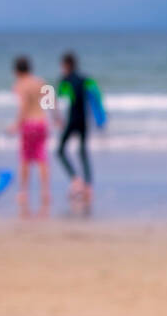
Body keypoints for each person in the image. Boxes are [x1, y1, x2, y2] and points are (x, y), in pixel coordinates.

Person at [56, 52, 102, 214]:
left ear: (67, 65)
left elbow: (62, 95)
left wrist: (57, 118)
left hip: (72, 120)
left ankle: (75, 179)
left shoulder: (65, 80)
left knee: (60, 151)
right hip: (84, 121)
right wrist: (100, 119)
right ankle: (88, 186)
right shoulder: (85, 79)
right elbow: (95, 97)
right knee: (83, 152)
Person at [8, 56, 50, 215]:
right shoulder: (40, 81)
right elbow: (51, 101)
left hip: (28, 124)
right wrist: (58, 118)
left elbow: (24, 106)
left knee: (25, 158)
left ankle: (23, 192)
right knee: (42, 158)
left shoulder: (19, 85)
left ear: (17, 71)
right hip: (42, 123)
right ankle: (45, 192)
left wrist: (16, 124)